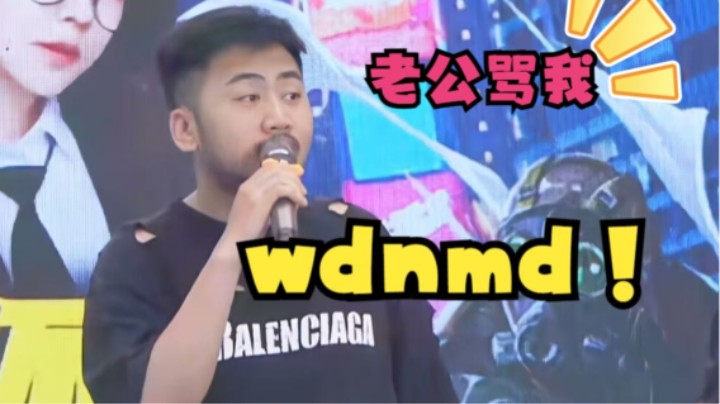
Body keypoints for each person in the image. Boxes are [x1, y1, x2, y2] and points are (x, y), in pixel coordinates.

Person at [81, 4, 458, 403]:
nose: (279, 118)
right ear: (186, 129)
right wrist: (233, 245)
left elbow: (427, 390)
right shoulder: (139, 260)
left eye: (292, 95)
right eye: (249, 97)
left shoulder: (358, 238)